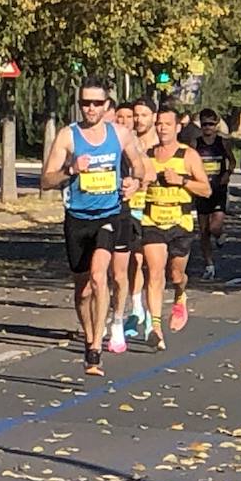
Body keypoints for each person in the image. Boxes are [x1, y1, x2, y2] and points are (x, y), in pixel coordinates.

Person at [40, 78, 148, 377]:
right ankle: (90, 335)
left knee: (101, 277)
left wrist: (134, 183)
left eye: (96, 103)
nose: (90, 108)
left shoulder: (120, 134)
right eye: (85, 103)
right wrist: (72, 169)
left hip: (108, 215)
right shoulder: (68, 136)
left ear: (106, 105)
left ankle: (95, 349)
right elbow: (46, 179)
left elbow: (139, 166)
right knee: (83, 289)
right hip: (77, 218)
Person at [140, 107, 210, 350]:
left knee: (175, 275)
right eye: (158, 124)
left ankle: (180, 294)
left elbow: (206, 190)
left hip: (180, 223)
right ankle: (155, 328)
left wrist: (181, 180)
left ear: (177, 127)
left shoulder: (188, 155)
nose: (162, 128)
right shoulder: (146, 155)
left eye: (167, 124)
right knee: (154, 273)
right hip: (152, 221)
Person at [121, 98, 159, 344]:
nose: (138, 120)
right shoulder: (127, 141)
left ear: (153, 117)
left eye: (144, 115)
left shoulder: (161, 143)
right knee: (135, 258)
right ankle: (136, 309)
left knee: (153, 264)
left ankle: (155, 307)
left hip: (157, 208)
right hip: (132, 207)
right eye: (135, 115)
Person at [105, 101, 139, 353]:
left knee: (118, 274)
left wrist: (135, 182)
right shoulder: (87, 139)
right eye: (119, 116)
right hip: (92, 213)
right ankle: (99, 322)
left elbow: (145, 171)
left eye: (128, 117)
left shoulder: (129, 143)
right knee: (96, 275)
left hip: (122, 212)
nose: (123, 120)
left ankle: (117, 319)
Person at [191, 108, 235, 279]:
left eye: (210, 124)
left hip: (218, 189)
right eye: (204, 125)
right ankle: (209, 264)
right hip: (202, 189)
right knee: (203, 231)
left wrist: (227, 174)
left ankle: (220, 234)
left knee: (214, 226)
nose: (207, 128)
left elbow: (232, 160)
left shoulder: (222, 143)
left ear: (216, 125)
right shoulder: (195, 144)